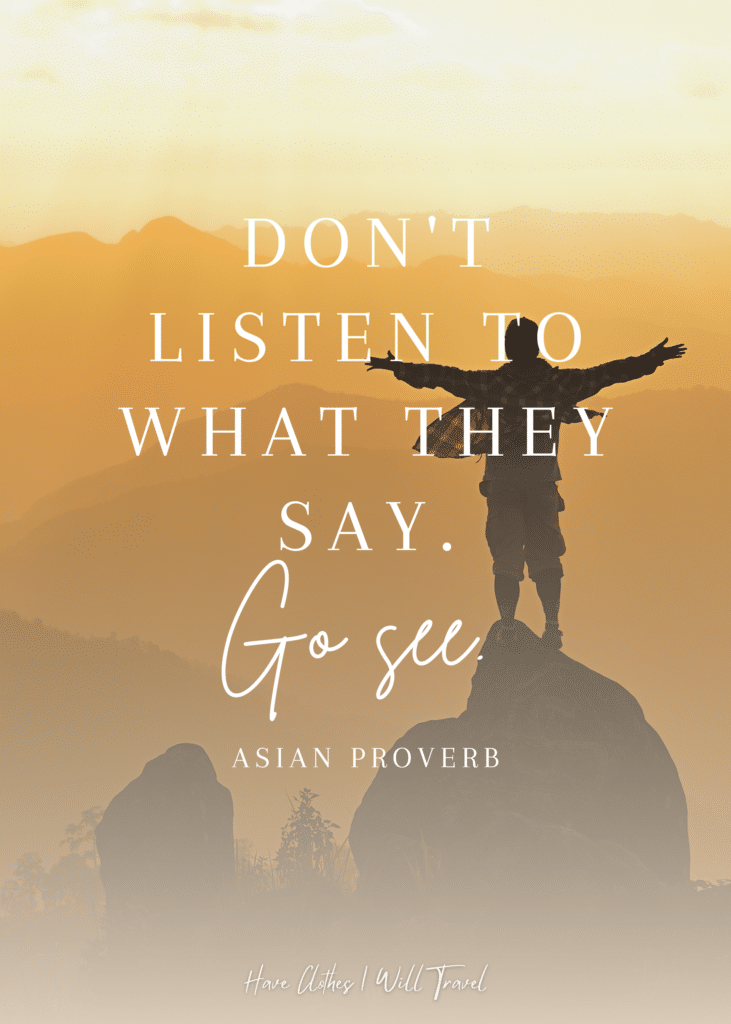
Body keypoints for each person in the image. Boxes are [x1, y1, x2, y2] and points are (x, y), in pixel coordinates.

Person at [367, 317, 686, 649]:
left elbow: (442, 376)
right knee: (546, 556)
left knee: (506, 557)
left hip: (502, 480)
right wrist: (652, 360)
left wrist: (397, 367)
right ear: (536, 347)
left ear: (508, 348)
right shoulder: (561, 384)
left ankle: (507, 625)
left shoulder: (489, 384)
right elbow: (609, 373)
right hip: (541, 480)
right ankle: (552, 626)